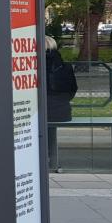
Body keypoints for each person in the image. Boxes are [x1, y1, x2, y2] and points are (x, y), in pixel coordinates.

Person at [44, 36, 77, 168]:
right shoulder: (66, 67)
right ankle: (50, 157)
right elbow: (72, 89)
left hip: (40, 112)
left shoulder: (32, 66)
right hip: (63, 112)